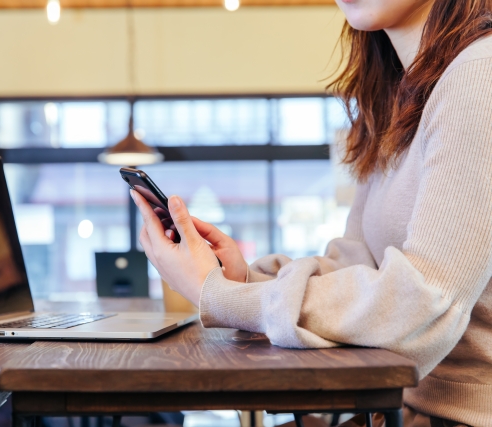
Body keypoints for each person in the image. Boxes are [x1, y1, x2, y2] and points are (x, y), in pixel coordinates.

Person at [131, 0, 492, 426]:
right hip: (396, 410)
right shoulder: (396, 95)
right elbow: (356, 263)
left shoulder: (479, 74)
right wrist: (245, 279)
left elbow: (423, 306)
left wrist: (224, 297)